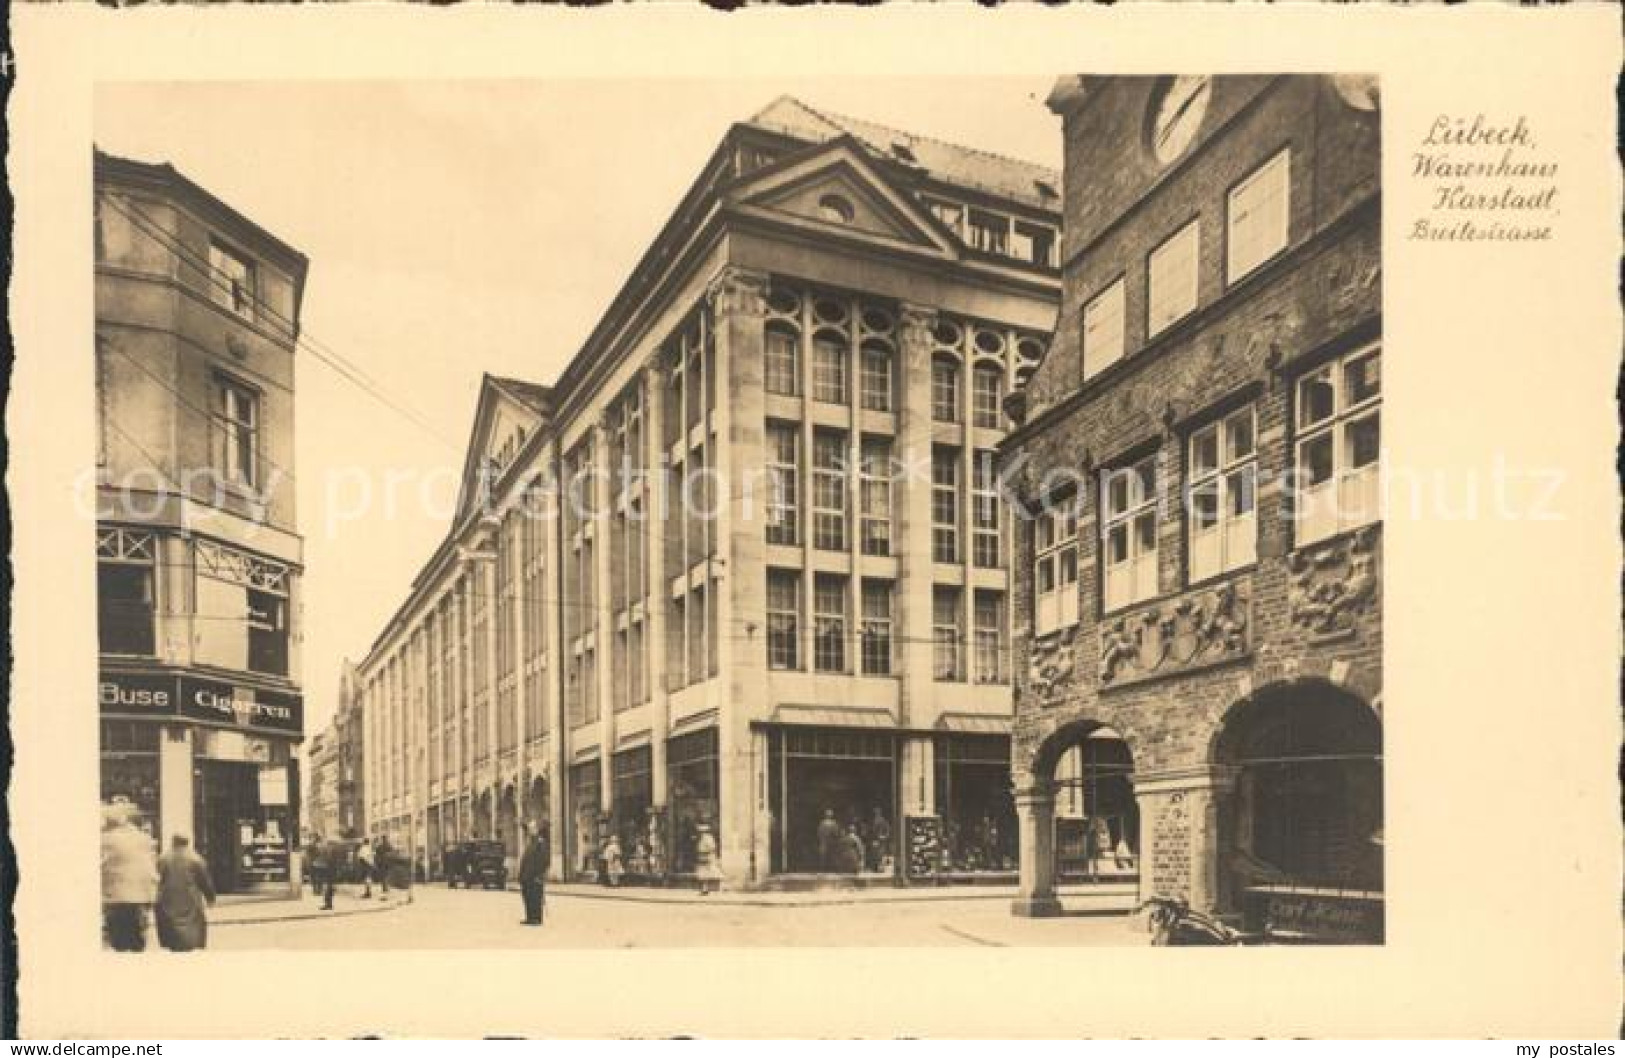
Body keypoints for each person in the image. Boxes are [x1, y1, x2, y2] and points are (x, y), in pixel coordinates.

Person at [101, 799, 158, 952]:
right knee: (136, 941)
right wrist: (152, 893)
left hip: (114, 898)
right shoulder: (144, 839)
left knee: (118, 941)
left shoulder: (104, 839)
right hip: (138, 898)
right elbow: (150, 868)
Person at [155, 835, 216, 952]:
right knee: (191, 928)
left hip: (169, 899)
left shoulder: (163, 858)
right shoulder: (195, 858)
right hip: (190, 899)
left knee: (171, 927)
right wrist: (210, 897)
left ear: (173, 842)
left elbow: (156, 879)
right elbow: (205, 881)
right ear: (188, 842)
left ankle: (174, 946)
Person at [517, 825, 549, 926]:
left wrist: (539, 875)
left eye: (532, 829)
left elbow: (544, 860)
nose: (530, 831)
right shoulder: (531, 843)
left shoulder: (540, 843)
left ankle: (536, 918)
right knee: (527, 897)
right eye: (530, 829)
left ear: (536, 830)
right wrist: (521, 876)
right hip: (526, 877)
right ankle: (530, 917)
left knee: (535, 897)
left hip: (534, 877)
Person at [693, 823, 722, 896]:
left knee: (709, 873)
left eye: (702, 831)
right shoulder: (702, 838)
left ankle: (711, 889)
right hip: (703, 857)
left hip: (707, 857)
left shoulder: (708, 838)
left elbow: (712, 847)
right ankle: (705, 889)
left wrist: (706, 852)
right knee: (704, 874)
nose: (700, 832)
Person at [816, 808, 843, 873]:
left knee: (823, 856)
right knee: (832, 856)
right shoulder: (833, 823)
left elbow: (819, 833)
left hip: (824, 841)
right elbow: (836, 833)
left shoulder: (822, 823)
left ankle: (823, 870)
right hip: (831, 841)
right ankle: (831, 869)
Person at [867, 808, 891, 873]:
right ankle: (875, 868)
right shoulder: (872, 821)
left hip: (881, 840)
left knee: (880, 854)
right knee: (875, 854)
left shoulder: (883, 821)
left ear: (880, 813)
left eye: (877, 812)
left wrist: (884, 836)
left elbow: (887, 830)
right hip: (874, 839)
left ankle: (880, 868)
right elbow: (871, 831)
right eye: (875, 813)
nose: (876, 814)